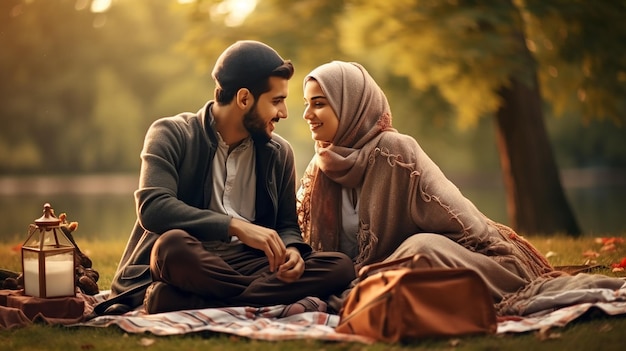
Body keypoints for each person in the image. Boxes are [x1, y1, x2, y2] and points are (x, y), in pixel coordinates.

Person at [297, 60, 626, 313]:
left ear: (351, 105)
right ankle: (366, 289)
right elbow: (305, 243)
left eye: (319, 103)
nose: (307, 114)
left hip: (436, 262)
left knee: (422, 249)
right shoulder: (320, 168)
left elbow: (469, 228)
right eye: (307, 104)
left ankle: (370, 288)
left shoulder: (395, 152)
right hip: (366, 277)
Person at [93, 42, 355, 316]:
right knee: (171, 246)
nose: (284, 113)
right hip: (183, 261)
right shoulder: (171, 133)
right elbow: (154, 208)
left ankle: (185, 301)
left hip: (244, 264)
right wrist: (236, 227)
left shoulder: (279, 153)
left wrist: (292, 250)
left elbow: (287, 225)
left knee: (339, 266)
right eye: (276, 100)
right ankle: (257, 296)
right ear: (244, 99)